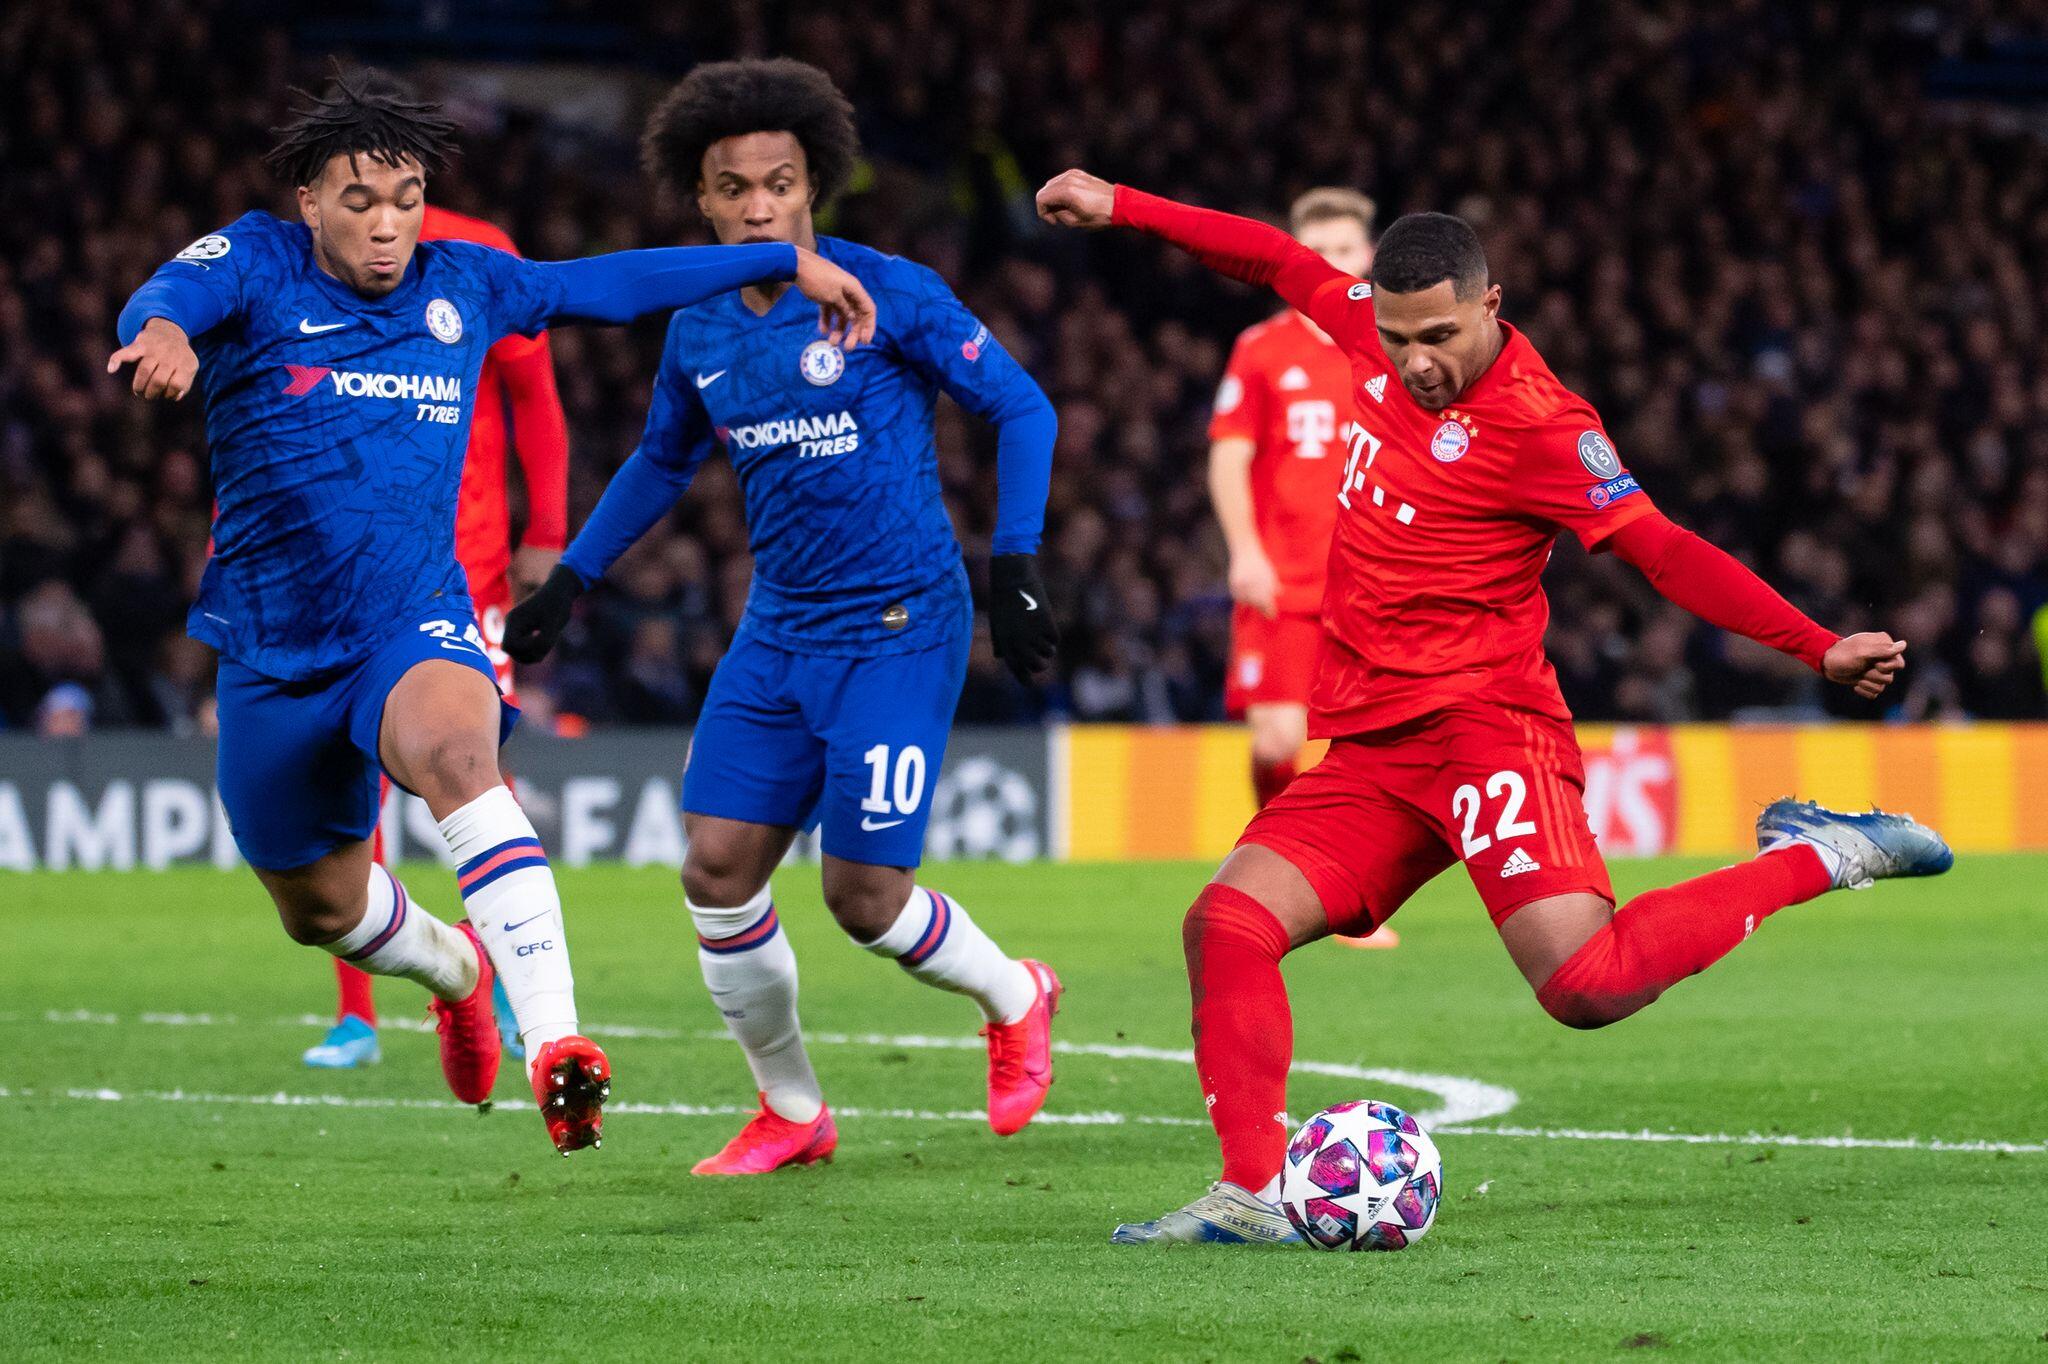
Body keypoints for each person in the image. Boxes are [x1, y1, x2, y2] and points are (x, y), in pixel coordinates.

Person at [1034, 169, 1953, 1244]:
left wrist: (1814, 643)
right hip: (1374, 749)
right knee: (1225, 924)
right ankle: (1250, 1191)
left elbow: (1658, 548)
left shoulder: (1544, 427)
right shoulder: (1363, 334)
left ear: (1489, 304)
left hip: (1484, 731)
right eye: (1395, 336)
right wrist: (1120, 203)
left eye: (1436, 335)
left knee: (1583, 984)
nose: (1414, 360)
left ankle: (1819, 854)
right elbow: (1277, 261)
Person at [107, 68, 877, 1153]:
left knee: (463, 762)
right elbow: (166, 298)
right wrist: (168, 336)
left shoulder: (466, 282)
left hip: (411, 621)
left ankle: (555, 1041)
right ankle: (454, 972)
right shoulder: (255, 259)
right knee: (320, 909)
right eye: (360, 201)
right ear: (310, 203)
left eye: (407, 198)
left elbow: (609, 283)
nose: (387, 226)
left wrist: (780, 257)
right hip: (269, 649)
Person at [507, 59, 1062, 1175]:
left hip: (902, 623)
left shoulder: (886, 289)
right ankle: (793, 1108)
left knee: (861, 897)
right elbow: (662, 463)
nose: (758, 205)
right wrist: (571, 576)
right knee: (714, 867)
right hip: (780, 629)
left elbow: (1020, 404)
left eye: (778, 182)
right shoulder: (699, 326)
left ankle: (1014, 990)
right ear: (701, 200)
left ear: (815, 186)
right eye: (733, 188)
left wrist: (1017, 567)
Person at [305, 202, 570, 1072]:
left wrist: (548, 534)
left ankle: (512, 987)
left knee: (470, 765)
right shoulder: (309, 257)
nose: (381, 204)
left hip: (468, 563)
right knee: (342, 779)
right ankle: (360, 1016)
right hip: (341, 562)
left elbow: (535, 398)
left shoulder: (479, 249)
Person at [1208, 187, 1395, 950]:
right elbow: (1228, 457)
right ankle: (1276, 868)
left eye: (1347, 251)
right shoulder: (1261, 349)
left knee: (1370, 756)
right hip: (1283, 583)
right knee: (1275, 744)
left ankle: (1336, 897)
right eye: (1320, 253)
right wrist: (1244, 550)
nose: (1335, 265)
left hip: (1376, 585)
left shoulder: (1390, 348)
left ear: (1369, 259)